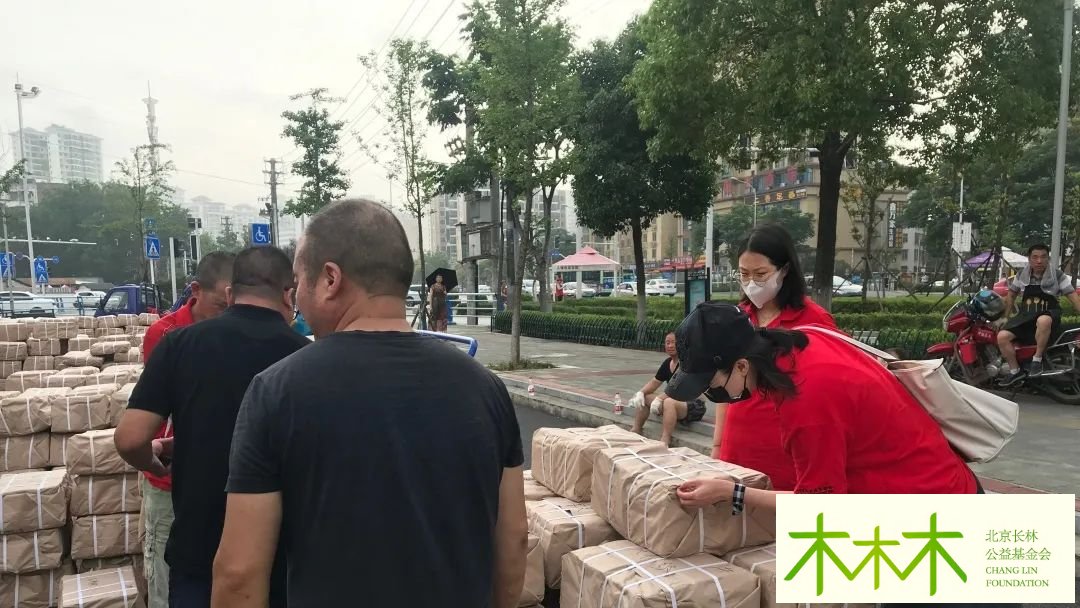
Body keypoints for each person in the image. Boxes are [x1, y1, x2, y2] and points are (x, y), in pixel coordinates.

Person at [211, 199, 527, 608]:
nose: (296, 299)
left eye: (299, 282)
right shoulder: (486, 390)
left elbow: (239, 574)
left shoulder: (276, 393)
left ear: (330, 279)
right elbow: (514, 539)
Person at [116, 247, 307, 608]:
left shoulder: (179, 344)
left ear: (231, 293)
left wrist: (155, 461)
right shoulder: (304, 355)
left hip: (198, 549)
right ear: (288, 294)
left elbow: (130, 439)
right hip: (283, 556)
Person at [667, 302, 979, 511]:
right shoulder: (799, 344)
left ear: (741, 366)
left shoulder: (806, 400)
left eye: (710, 383)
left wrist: (733, 493)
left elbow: (820, 507)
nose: (709, 392)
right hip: (933, 484)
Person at [136, 251, 234, 608]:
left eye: (232, 306)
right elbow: (148, 420)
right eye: (219, 305)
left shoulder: (234, 334)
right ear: (195, 291)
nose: (226, 313)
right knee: (167, 571)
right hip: (172, 475)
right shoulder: (165, 334)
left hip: (220, 478)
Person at [719, 224, 836, 490]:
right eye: (744, 274)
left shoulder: (814, 321)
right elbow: (725, 384)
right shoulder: (738, 316)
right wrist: (717, 445)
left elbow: (829, 391)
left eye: (761, 274)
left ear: (785, 270)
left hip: (786, 447)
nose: (751, 282)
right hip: (738, 442)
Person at [997, 243, 1080, 385]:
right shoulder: (1021, 275)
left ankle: (1037, 360)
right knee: (1002, 336)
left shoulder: (1058, 275)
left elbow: (1073, 297)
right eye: (1035, 257)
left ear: (1048, 259)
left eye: (1043, 257)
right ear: (1029, 259)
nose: (1039, 261)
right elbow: (1011, 295)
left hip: (1049, 315)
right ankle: (1015, 371)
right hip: (1026, 317)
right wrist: (1005, 317)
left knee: (1043, 320)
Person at [627, 332, 707, 446]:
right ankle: (636, 429)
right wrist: (640, 393)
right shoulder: (667, 363)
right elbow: (655, 382)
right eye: (667, 342)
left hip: (694, 405)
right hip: (675, 400)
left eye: (673, 342)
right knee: (645, 397)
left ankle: (665, 439)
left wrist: (659, 398)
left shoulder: (687, 362)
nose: (670, 345)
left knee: (669, 402)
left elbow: (678, 387)